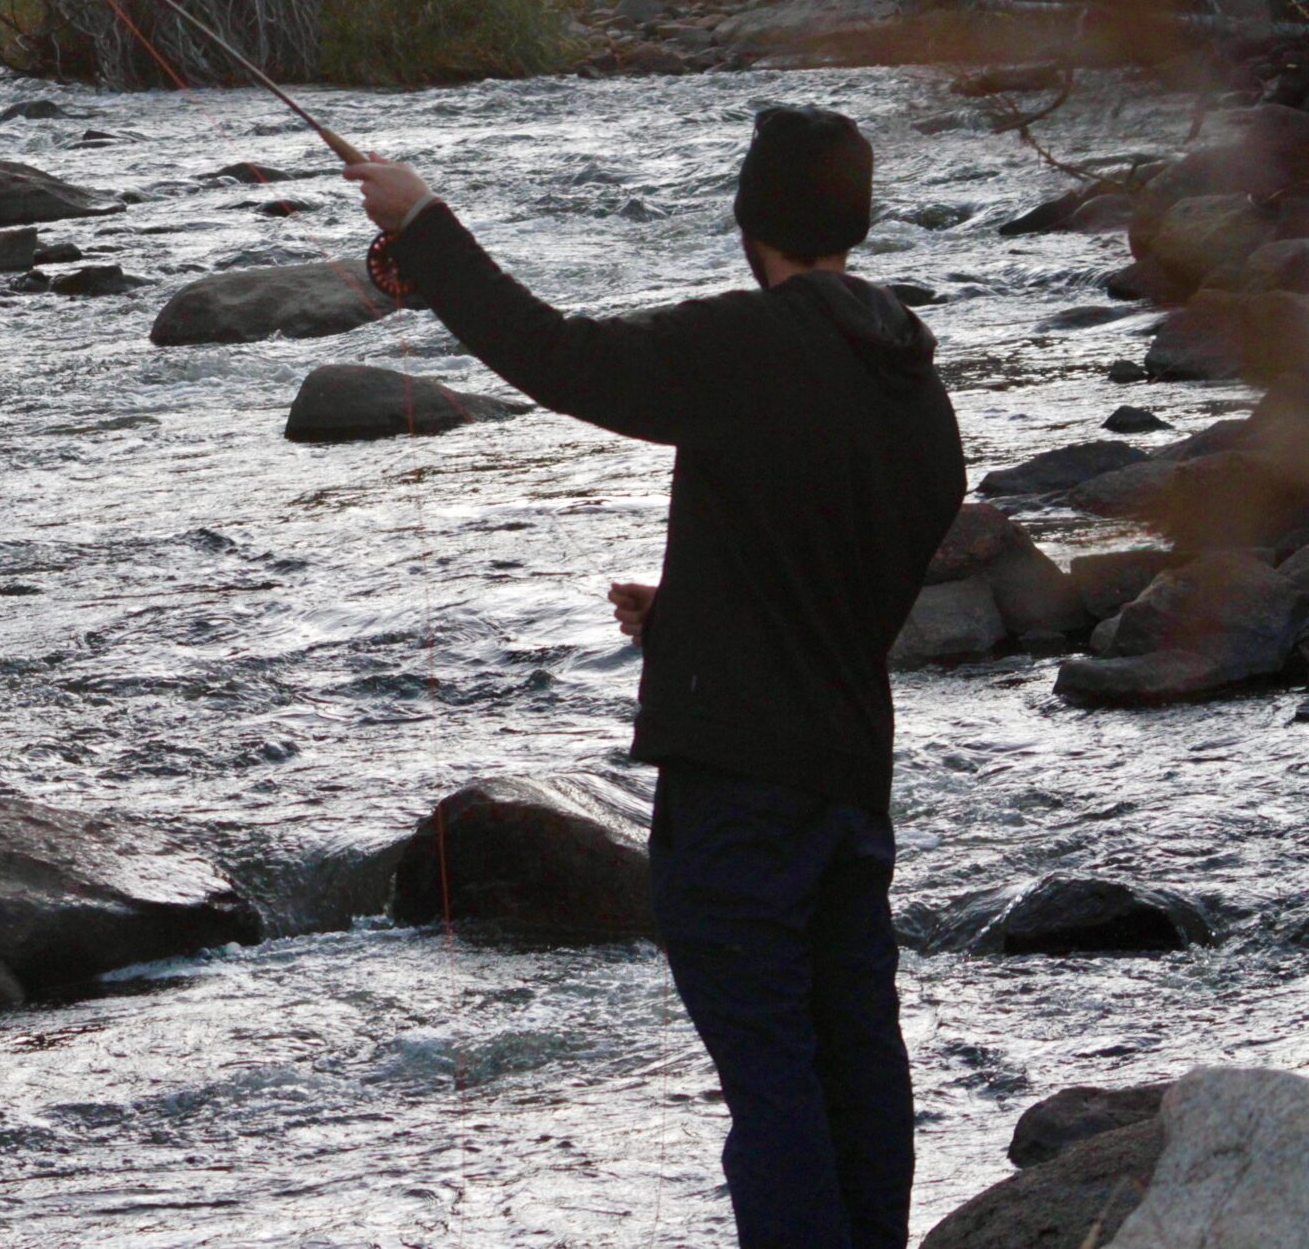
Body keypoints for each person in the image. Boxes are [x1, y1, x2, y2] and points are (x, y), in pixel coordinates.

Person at [346, 107, 965, 1249]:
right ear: (855, 223)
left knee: (774, 1084)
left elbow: (558, 357)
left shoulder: (746, 343)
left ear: (748, 219)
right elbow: (842, 578)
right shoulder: (917, 391)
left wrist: (424, 225)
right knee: (855, 1062)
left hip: (738, 794)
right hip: (848, 788)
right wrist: (689, 621)